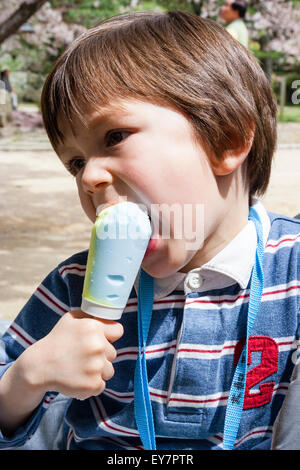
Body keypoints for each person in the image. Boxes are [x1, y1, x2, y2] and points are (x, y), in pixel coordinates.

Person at [0, 10, 299, 451]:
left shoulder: (289, 271)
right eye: (76, 162)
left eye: (115, 136)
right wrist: (26, 379)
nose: (89, 177)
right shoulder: (73, 287)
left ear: (227, 138)